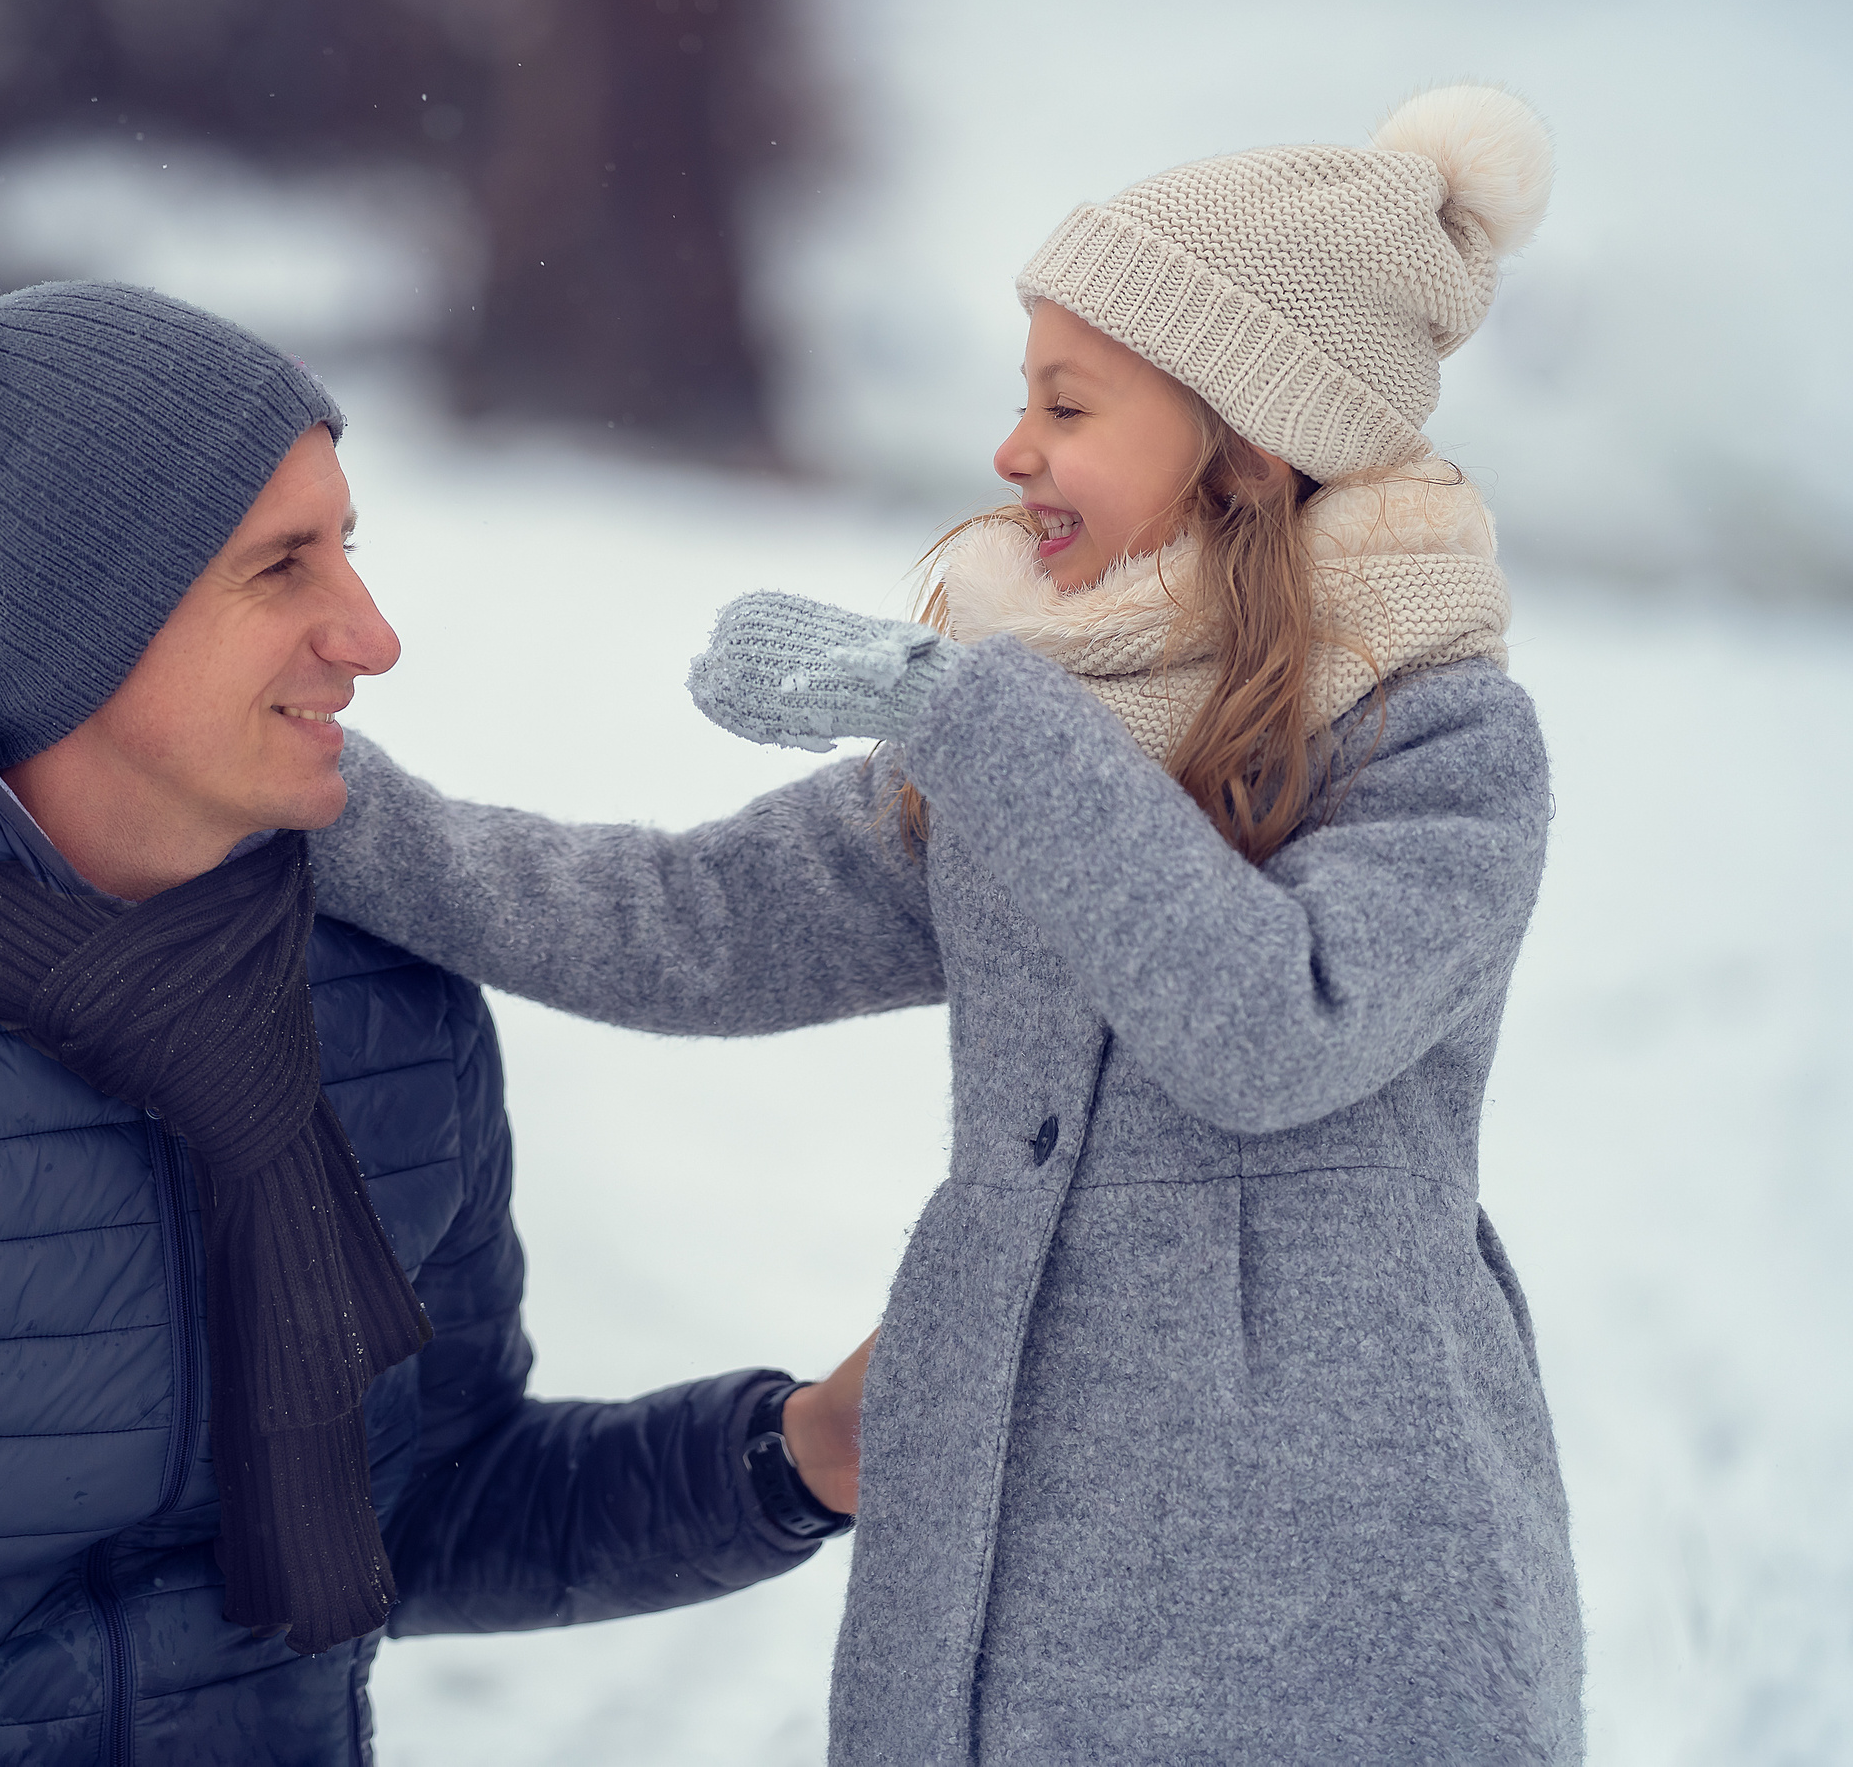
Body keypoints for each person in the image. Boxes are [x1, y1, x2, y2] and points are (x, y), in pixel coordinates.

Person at [300, 86, 1582, 1761]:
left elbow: (1277, 1025)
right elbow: (685, 922)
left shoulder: (1445, 750)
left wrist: (966, 714)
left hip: (1344, 1583)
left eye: (1069, 402)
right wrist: (327, 803)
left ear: (1249, 447)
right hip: (1019, 1557)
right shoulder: (1043, 727)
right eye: (1019, 396)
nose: (1010, 452)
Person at [0, 281, 869, 1766]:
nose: (371, 635)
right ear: (78, 624)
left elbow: (424, 1505)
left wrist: (800, 1452)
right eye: (283, 568)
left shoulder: (382, 1000)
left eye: (350, 549)